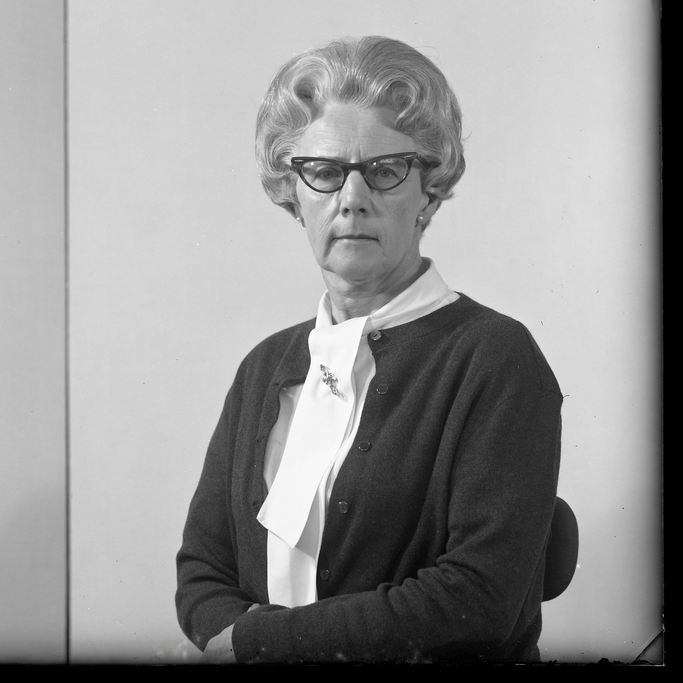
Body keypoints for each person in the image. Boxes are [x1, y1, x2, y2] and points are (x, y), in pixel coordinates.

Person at [175, 37, 562, 663]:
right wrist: (237, 642)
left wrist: (259, 644)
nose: (352, 198)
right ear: (293, 195)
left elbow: (479, 596)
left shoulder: (494, 357)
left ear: (429, 190)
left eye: (384, 171)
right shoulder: (263, 366)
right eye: (324, 173)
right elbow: (202, 569)